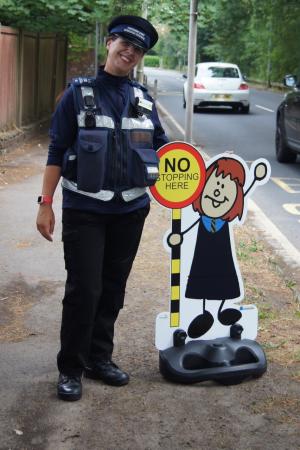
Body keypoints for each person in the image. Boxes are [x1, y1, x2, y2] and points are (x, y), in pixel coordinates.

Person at [36, 15, 168, 401]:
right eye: (124, 43)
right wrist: (45, 204)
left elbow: (165, 150)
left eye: (138, 49)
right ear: (109, 43)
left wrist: (185, 186)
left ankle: (99, 359)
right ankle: (71, 368)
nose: (129, 52)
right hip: (85, 210)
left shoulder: (144, 100)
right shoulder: (76, 94)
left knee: (112, 289)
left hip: (131, 210)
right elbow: (57, 150)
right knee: (85, 290)